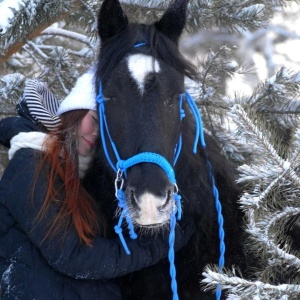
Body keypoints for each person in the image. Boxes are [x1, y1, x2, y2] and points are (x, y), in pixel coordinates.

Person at [0, 71, 194, 299]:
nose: (95, 133)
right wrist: (159, 243)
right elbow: (75, 256)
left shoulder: (75, 176)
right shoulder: (30, 165)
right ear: (74, 112)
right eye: (94, 120)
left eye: (105, 128)